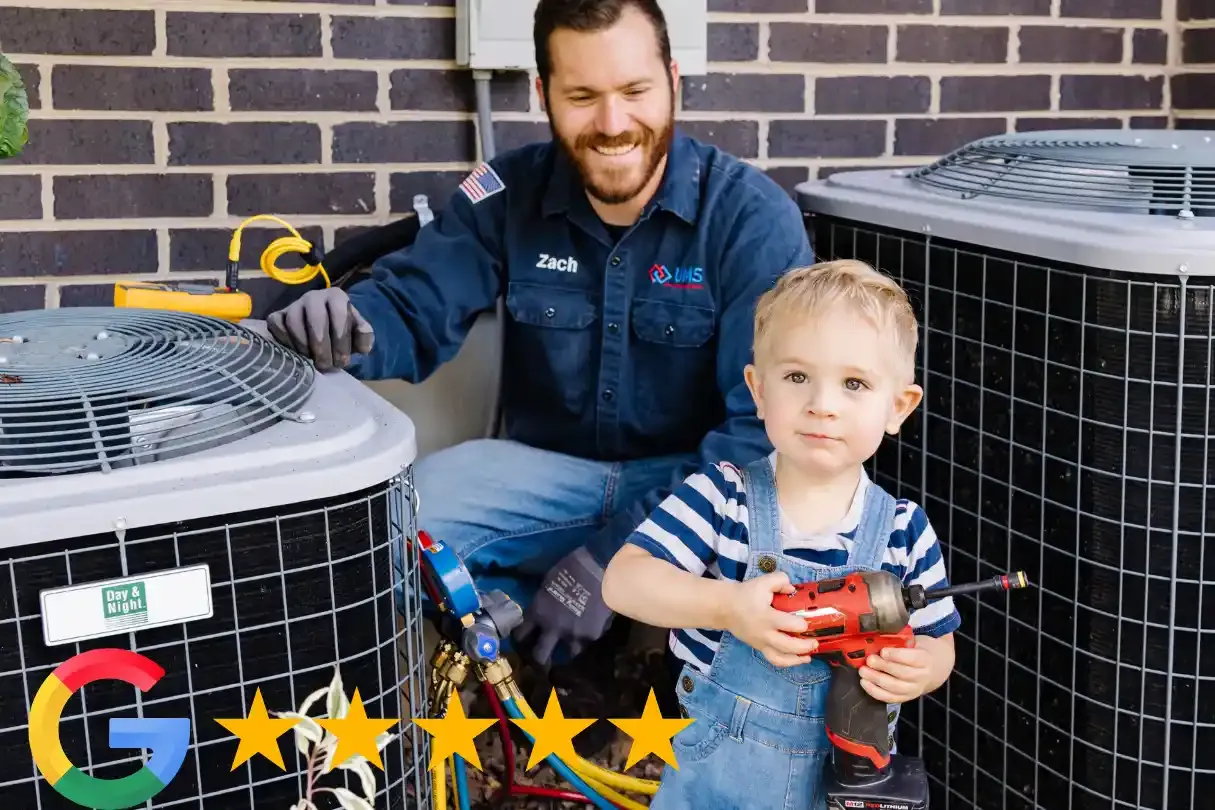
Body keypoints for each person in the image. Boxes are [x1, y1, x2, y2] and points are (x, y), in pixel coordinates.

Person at [264, 0, 814, 751]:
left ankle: (666, 695)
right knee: (399, 515)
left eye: (634, 92)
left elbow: (757, 445)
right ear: (542, 94)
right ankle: (472, 676)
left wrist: (617, 557)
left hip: (697, 488)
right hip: (548, 483)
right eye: (582, 96)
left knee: (779, 531)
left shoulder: (751, 220)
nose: (613, 123)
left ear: (673, 82)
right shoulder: (505, 192)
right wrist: (346, 325)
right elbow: (414, 304)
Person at [601, 260, 962, 808]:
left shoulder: (904, 530)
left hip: (845, 783)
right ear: (758, 390)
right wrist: (727, 607)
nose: (822, 403)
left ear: (898, 407)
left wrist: (924, 669)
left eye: (854, 383)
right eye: (797, 377)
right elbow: (624, 582)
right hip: (716, 782)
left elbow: (938, 641)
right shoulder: (722, 498)